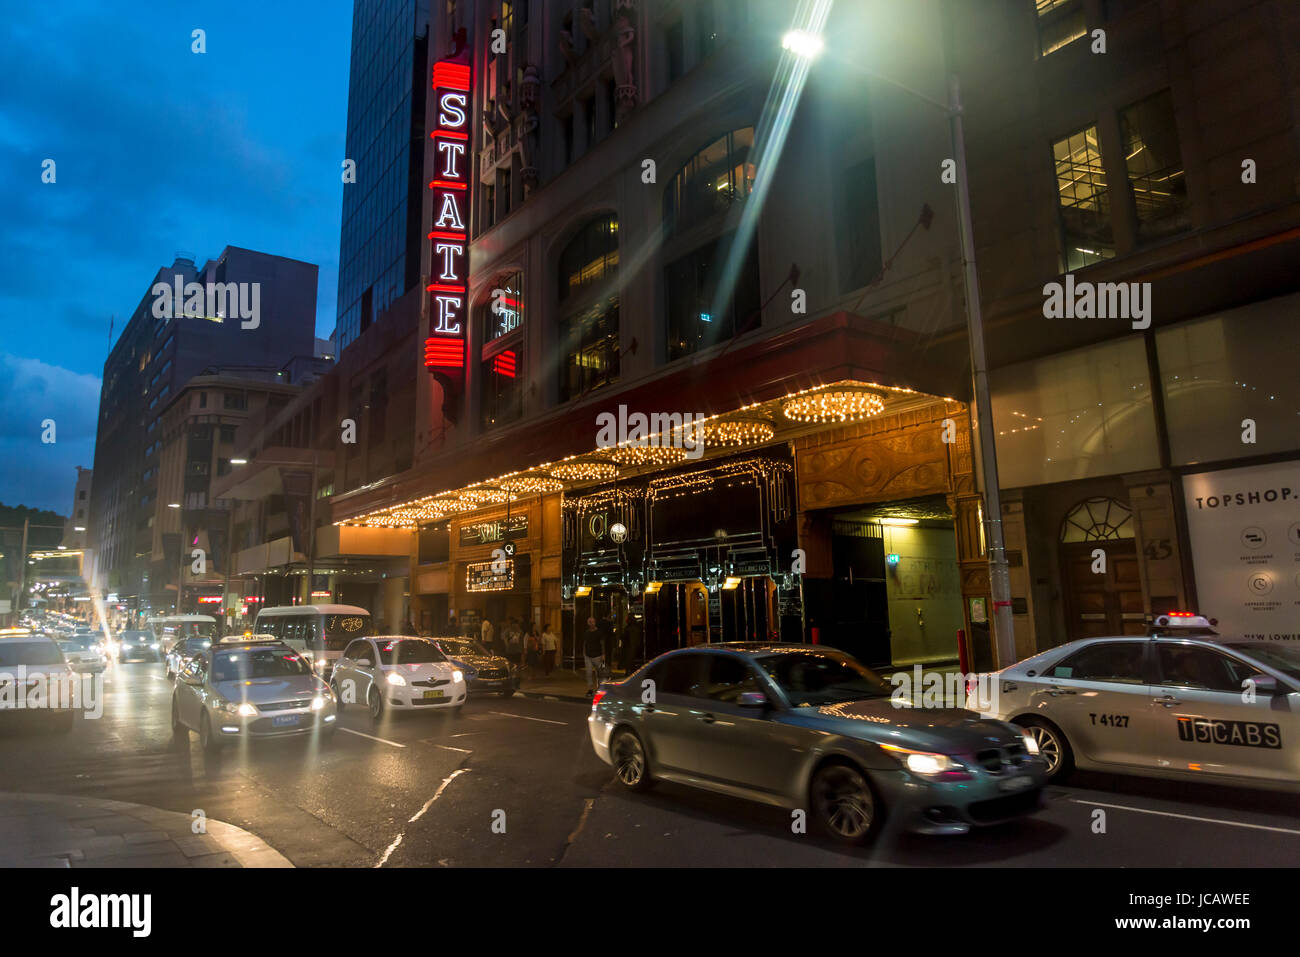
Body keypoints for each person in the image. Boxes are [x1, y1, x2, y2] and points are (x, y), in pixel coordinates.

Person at [582, 617, 605, 696]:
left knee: (599, 673)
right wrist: (584, 653)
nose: (591, 623)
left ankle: (600, 688)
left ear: (595, 623)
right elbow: (585, 643)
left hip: (597, 655)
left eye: (593, 622)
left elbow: (602, 643)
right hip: (588, 656)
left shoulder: (599, 632)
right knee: (588, 673)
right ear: (588, 623)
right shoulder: (586, 632)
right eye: (590, 622)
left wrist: (603, 654)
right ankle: (590, 689)